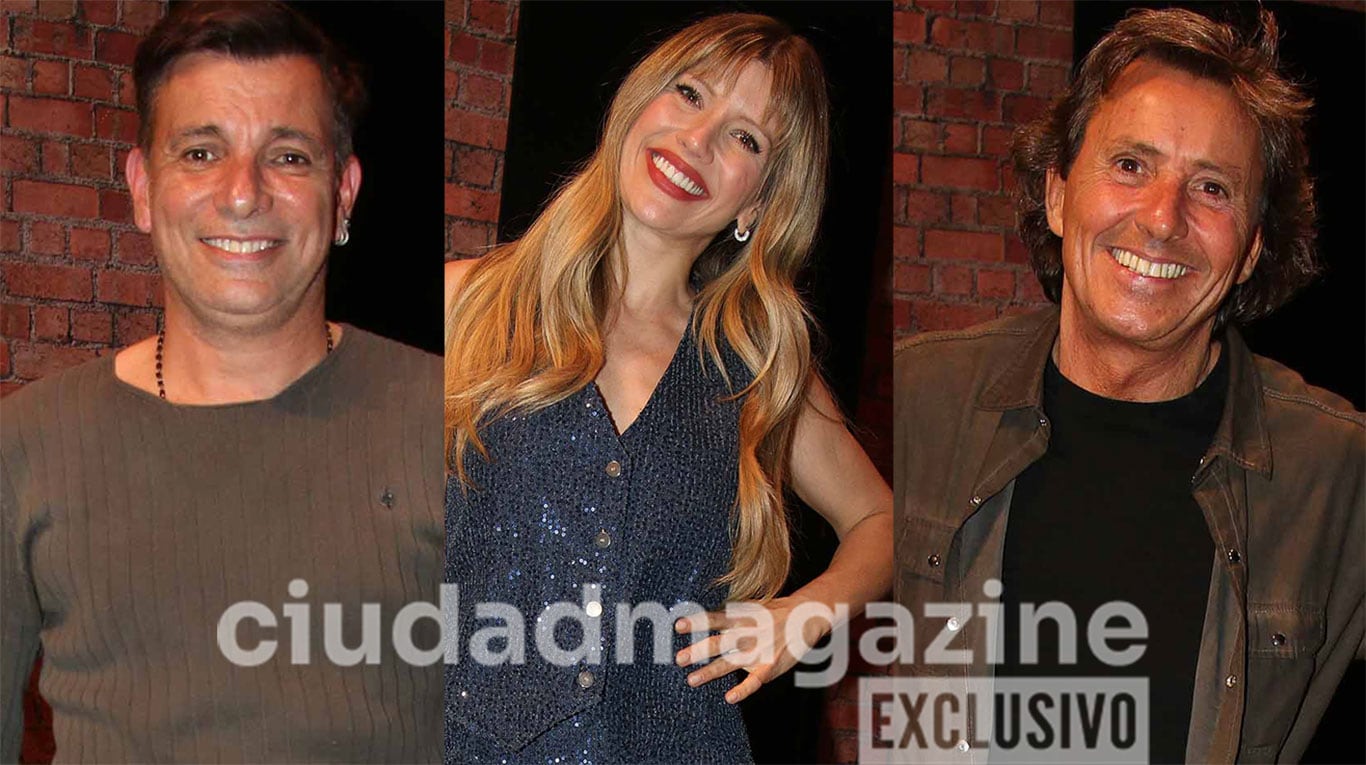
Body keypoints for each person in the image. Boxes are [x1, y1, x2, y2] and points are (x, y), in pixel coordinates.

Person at [894, 7, 1362, 763]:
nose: (1161, 219)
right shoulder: (923, 396)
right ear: (1057, 192)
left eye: (1212, 188)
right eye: (1130, 165)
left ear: (1249, 251)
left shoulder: (1334, 471)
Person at [443, 13, 892, 763]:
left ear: (757, 205)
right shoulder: (468, 304)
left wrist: (806, 611)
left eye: (746, 138)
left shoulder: (757, 366)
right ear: (638, 105)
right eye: (689, 94)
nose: (699, 138)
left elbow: (883, 518)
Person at [0, 3, 442, 761]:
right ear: (142, 187)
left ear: (344, 193)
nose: (243, 193)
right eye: (201, 153)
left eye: (290, 156)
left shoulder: (453, 422)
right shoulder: (28, 443)